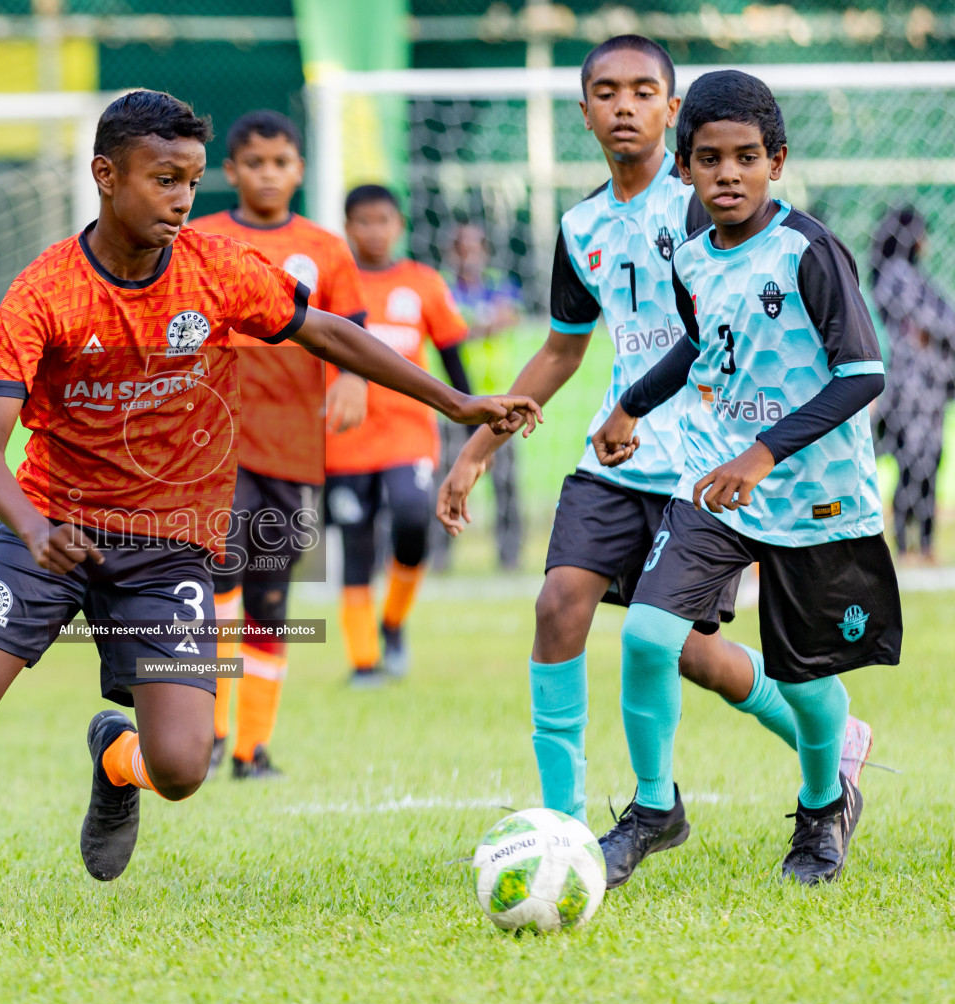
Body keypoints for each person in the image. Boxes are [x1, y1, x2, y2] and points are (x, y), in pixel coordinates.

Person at [0, 90, 541, 932]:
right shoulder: (44, 290)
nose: (183, 200)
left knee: (185, 765)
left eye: (192, 181)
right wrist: (31, 528)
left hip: (170, 546)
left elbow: (330, 333)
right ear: (105, 175)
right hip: (52, 527)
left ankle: (116, 763)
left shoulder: (218, 269)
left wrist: (451, 403)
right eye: (164, 179)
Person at [437, 35, 871, 843]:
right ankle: (563, 825)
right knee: (560, 603)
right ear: (584, 112)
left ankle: (833, 745)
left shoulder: (711, 200)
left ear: (673, 112)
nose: (624, 105)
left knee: (687, 655)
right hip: (619, 451)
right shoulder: (579, 226)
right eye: (606, 92)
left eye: (643, 91)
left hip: (708, 459)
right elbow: (563, 349)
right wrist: (476, 448)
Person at [590, 70, 900, 885]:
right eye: (709, 159)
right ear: (684, 168)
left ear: (777, 162)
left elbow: (863, 373)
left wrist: (763, 452)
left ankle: (822, 805)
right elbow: (702, 349)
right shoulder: (693, 258)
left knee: (804, 679)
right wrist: (629, 406)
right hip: (713, 483)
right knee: (649, 634)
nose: (728, 174)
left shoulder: (810, 251)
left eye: (747, 158)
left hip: (814, 497)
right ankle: (655, 808)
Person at [191, 110, 369, 778]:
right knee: (219, 575)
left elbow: (349, 329)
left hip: (294, 448)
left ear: (299, 169)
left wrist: (351, 375)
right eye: (254, 163)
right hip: (213, 444)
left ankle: (250, 747)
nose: (268, 173)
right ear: (231, 171)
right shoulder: (201, 240)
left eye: (281, 162)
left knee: (270, 595)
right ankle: (206, 730)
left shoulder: (323, 248)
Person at [327, 184, 469, 684]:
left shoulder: (423, 283)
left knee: (413, 518)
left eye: (383, 220)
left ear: (399, 225)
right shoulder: (332, 283)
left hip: (409, 434)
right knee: (356, 544)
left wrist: (475, 425)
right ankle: (364, 661)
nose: (373, 231)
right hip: (344, 438)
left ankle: (393, 621)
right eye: (362, 222)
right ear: (347, 227)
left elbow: (452, 356)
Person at [868, 206, 955, 564]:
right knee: (913, 462)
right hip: (911, 391)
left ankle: (924, 545)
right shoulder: (897, 276)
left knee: (927, 462)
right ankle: (907, 546)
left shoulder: (905, 276)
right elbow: (943, 323)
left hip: (929, 391)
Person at [442, 223, 524, 571]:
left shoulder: (499, 286)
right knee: (445, 477)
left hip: (499, 403)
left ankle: (510, 556)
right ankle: (439, 557)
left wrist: (471, 326)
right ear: (452, 252)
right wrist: (480, 324)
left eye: (475, 247)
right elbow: (450, 328)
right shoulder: (443, 290)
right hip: (453, 403)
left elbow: (507, 318)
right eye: (462, 248)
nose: (469, 254)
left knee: (505, 483)